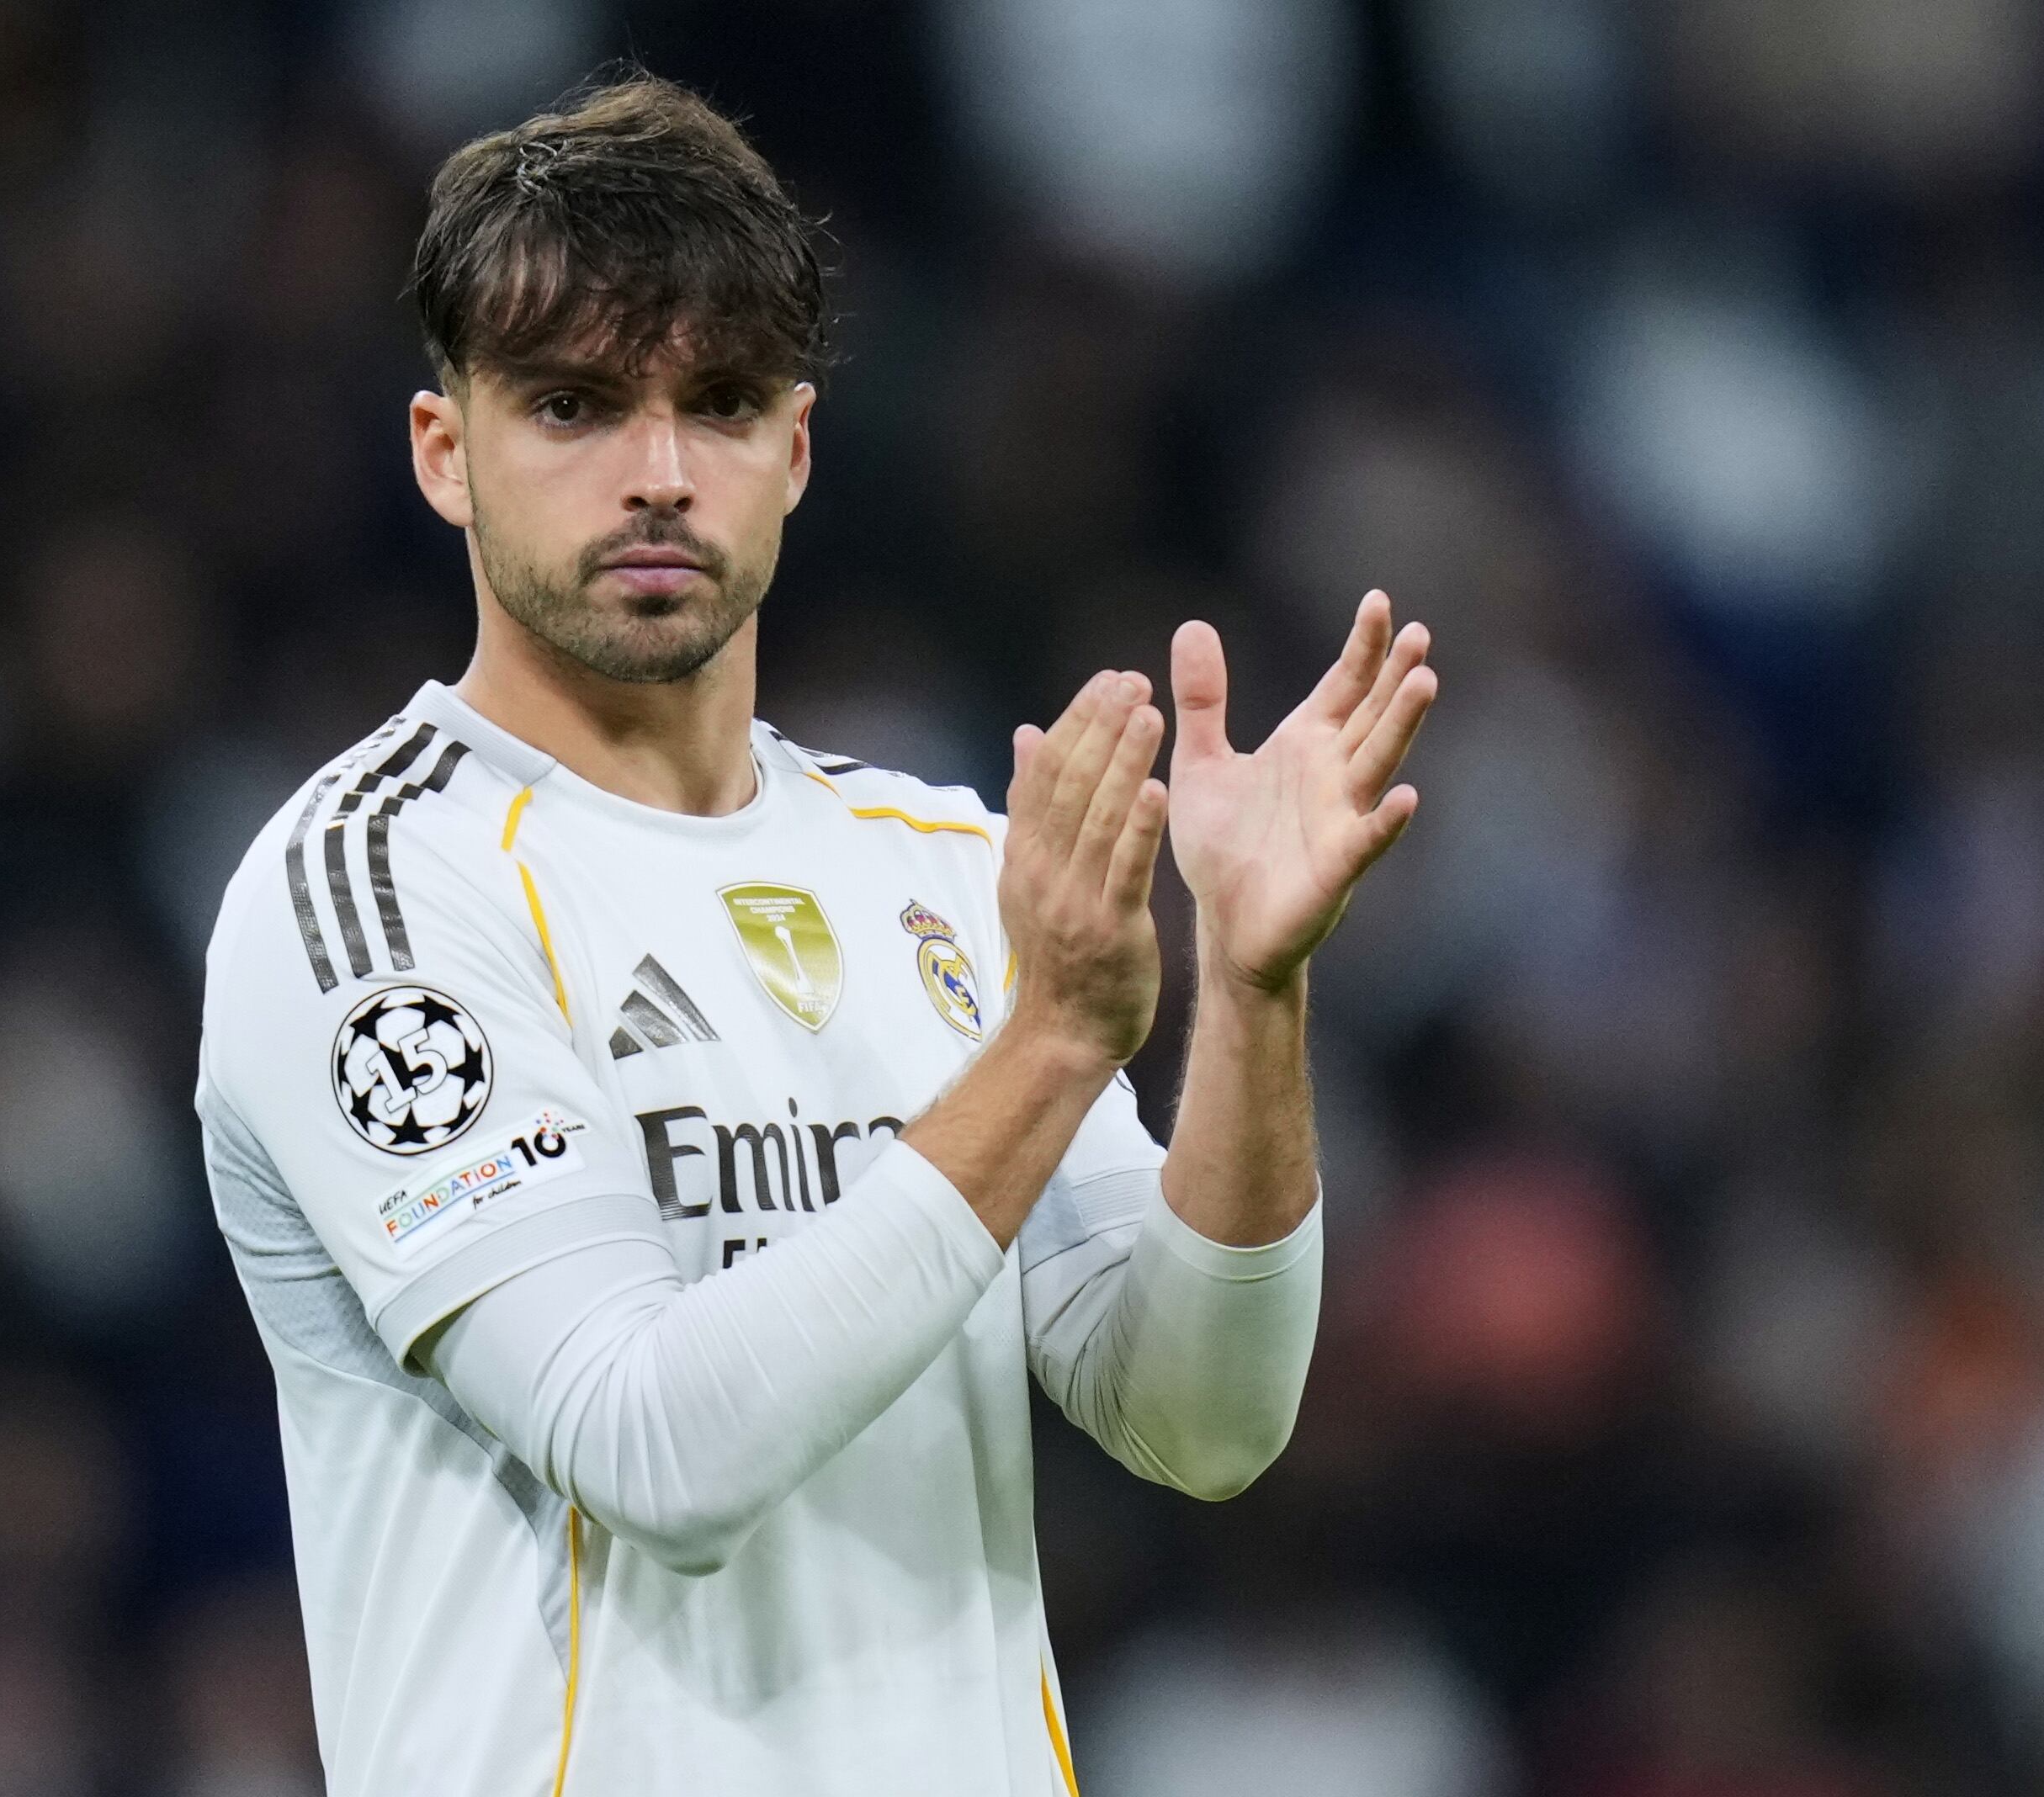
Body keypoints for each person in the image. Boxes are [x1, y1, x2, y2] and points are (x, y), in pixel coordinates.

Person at [195, 73, 1436, 1797]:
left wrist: (1248, 994)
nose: (655, 475)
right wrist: (1058, 1043)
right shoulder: (375, 891)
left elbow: (1201, 1421)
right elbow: (657, 1446)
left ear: (794, 449)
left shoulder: (939, 865)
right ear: (445, 453)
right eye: (572, 405)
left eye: (714, 405)